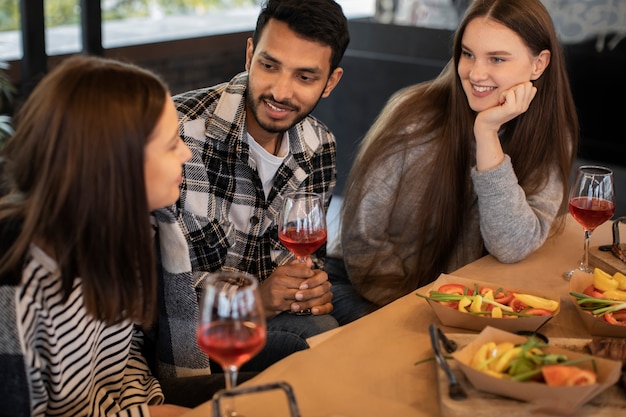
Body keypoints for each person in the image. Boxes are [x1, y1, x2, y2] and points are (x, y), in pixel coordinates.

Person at [152, 0, 374, 388]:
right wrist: (257, 299)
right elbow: (147, 290)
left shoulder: (318, 145)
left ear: (330, 82)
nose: (280, 90)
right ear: (250, 53)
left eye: (305, 77)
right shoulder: (176, 132)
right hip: (188, 337)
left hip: (270, 312)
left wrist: (308, 288)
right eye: (270, 66)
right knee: (322, 337)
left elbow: (305, 258)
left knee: (374, 323)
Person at [337, 0, 579, 307]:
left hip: (471, 304)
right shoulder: (413, 116)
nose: (476, 73)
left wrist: (487, 135)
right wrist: (429, 309)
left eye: (497, 59)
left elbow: (512, 245)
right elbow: (363, 244)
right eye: (468, 54)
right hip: (382, 297)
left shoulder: (552, 135)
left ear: (539, 64)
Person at [0, 55, 193, 416]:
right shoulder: (15, 285)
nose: (187, 151)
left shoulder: (120, 232)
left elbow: (124, 359)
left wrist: (148, 409)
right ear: (115, 165)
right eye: (171, 143)